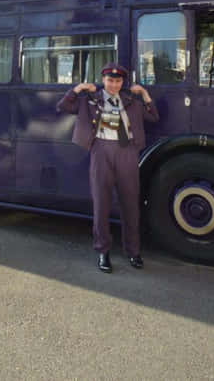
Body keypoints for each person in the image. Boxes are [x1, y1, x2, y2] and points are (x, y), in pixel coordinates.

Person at [56, 63, 159, 273]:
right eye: (110, 81)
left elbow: (154, 117)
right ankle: (103, 251)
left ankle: (133, 251)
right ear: (103, 80)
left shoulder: (131, 101)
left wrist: (145, 94)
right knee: (101, 204)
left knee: (130, 204)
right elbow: (63, 106)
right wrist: (79, 89)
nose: (114, 85)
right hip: (101, 151)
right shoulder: (90, 100)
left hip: (127, 152)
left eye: (118, 81)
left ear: (123, 83)